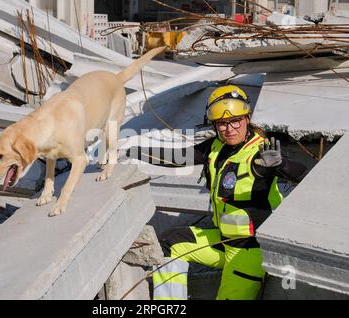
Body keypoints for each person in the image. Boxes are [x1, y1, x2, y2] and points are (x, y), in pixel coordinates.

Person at [128, 85, 308, 300]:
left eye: (235, 121)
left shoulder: (262, 153)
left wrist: (282, 165)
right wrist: (132, 149)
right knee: (170, 242)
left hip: (249, 252)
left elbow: (303, 175)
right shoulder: (216, 147)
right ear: (214, 125)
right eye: (222, 123)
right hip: (222, 242)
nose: (229, 128)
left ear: (247, 118)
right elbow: (177, 157)